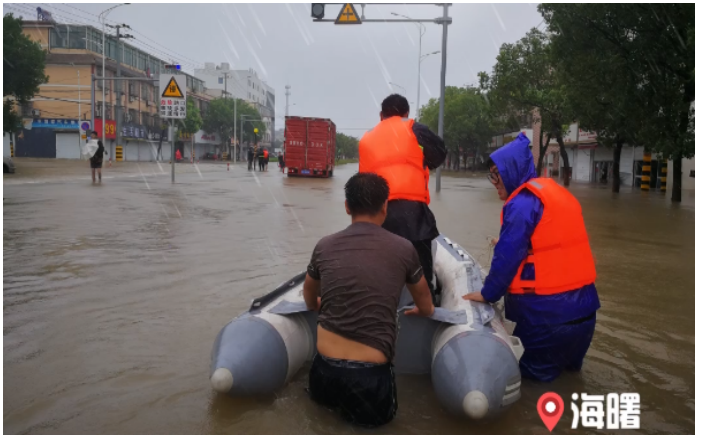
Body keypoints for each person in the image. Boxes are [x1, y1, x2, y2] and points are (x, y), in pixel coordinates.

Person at [462, 133, 600, 383]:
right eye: (491, 174)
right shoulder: (556, 193)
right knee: (570, 383)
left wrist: (487, 294)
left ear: (512, 170)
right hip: (586, 315)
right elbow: (552, 246)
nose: (493, 181)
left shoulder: (521, 204)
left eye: (497, 173)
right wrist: (505, 242)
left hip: (547, 319)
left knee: (532, 391)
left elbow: (506, 258)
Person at [304, 172, 435, 428]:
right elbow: (425, 301)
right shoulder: (404, 248)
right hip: (368, 378)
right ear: (385, 206)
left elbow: (309, 293)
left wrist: (316, 306)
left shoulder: (324, 245)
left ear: (346, 207)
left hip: (324, 370)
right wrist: (424, 310)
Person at [359, 94, 446, 306]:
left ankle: (376, 304)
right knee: (421, 266)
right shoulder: (414, 128)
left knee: (379, 267)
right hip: (412, 213)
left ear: (381, 115)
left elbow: (360, 184)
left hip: (377, 213)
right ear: (407, 113)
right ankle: (426, 306)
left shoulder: (366, 138)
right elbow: (440, 154)